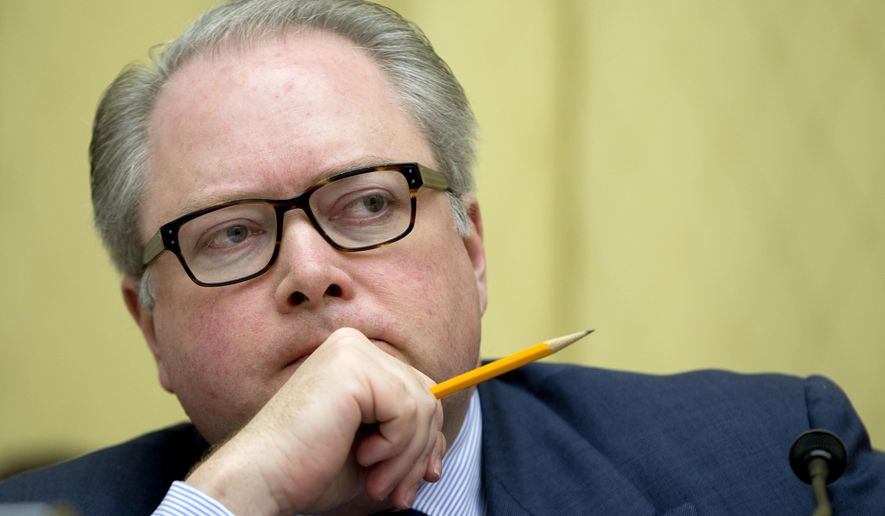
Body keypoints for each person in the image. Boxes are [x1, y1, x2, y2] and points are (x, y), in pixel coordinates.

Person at [1, 0, 883, 514]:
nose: (309, 271)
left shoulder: (780, 460)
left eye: (370, 203)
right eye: (231, 233)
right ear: (149, 326)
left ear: (473, 248)